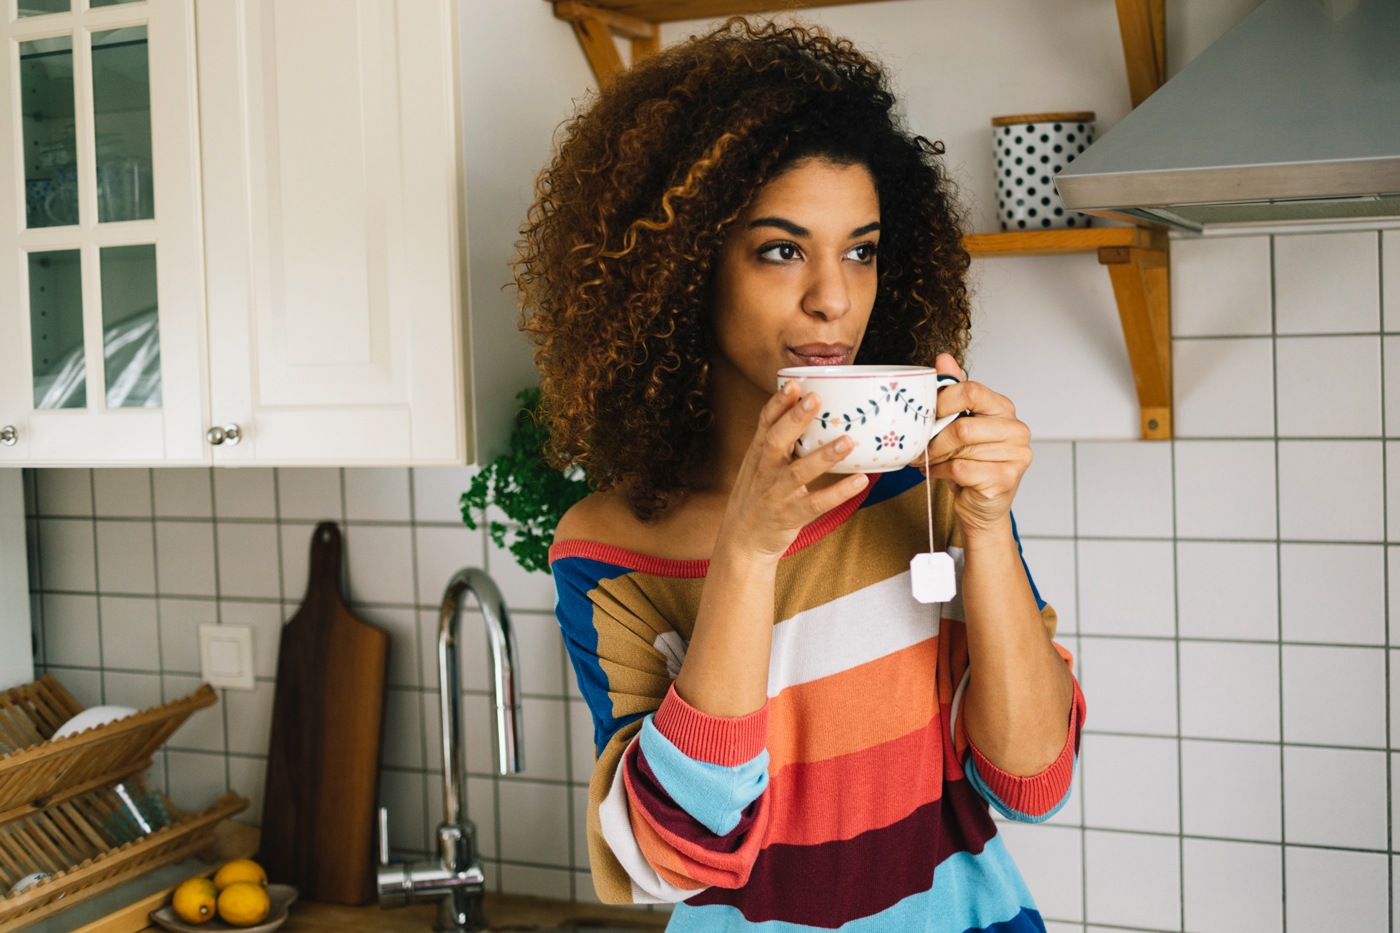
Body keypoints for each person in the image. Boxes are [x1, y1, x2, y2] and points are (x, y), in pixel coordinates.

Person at [515, 18, 1085, 932]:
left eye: (859, 249)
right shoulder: (609, 552)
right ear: (682, 269)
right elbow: (677, 854)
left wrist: (984, 525)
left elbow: (1032, 779)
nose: (835, 296)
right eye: (782, 249)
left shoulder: (926, 486)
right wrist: (746, 551)